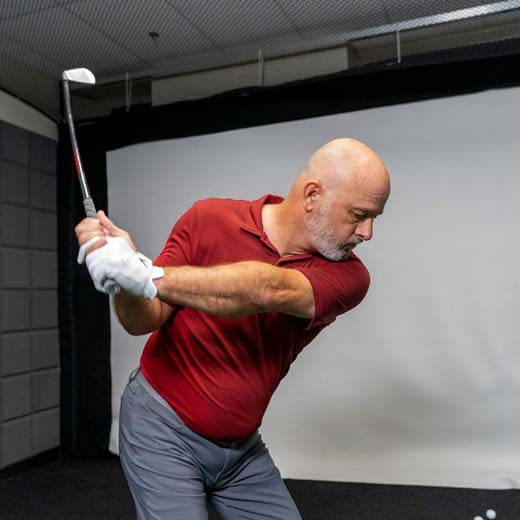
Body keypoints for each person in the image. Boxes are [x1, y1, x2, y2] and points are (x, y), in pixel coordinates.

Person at [75, 138, 390, 520]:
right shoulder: (207, 218)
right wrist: (122, 277)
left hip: (239, 452)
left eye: (374, 217)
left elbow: (270, 289)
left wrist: (145, 273)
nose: (367, 232)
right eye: (359, 214)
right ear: (312, 195)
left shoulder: (349, 275)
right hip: (160, 426)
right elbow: (142, 320)